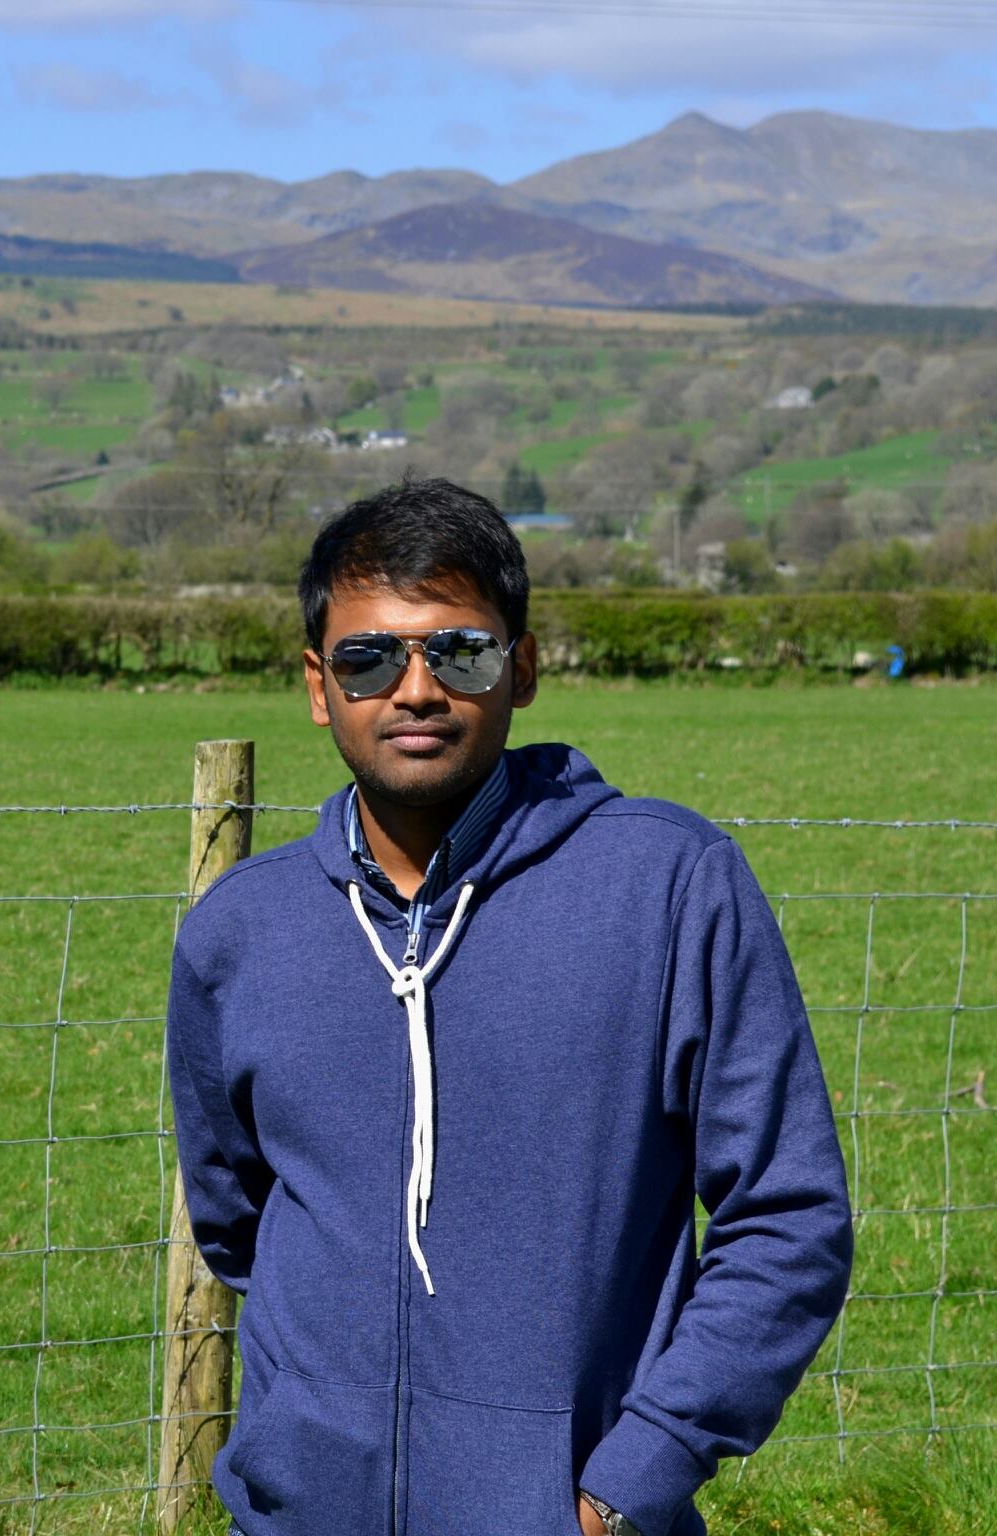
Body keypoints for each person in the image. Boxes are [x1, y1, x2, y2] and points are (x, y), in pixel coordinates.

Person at [164, 475, 854, 1536]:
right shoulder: (239, 933)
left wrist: (629, 1482)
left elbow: (788, 1217)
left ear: (522, 668)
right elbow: (242, 1225)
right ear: (318, 685)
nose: (415, 690)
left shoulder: (667, 888)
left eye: (461, 653)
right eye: (368, 658)